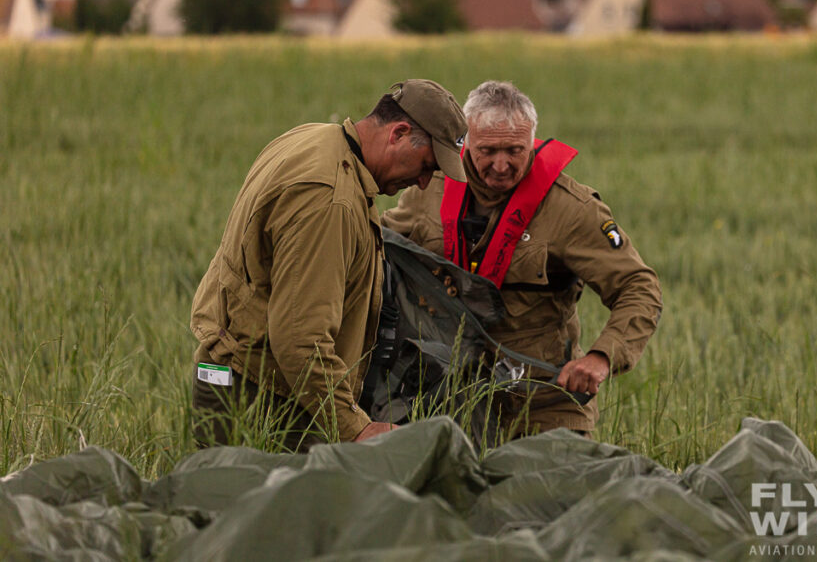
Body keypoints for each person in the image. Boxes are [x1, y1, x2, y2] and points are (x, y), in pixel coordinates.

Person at [190, 79, 467, 450]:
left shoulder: (315, 139)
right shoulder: (330, 199)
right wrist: (356, 426)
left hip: (246, 375)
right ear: (399, 134)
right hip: (261, 393)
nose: (421, 182)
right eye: (426, 166)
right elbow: (300, 338)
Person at [383, 80, 661, 437]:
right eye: (487, 151)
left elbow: (639, 287)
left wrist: (602, 357)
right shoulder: (428, 188)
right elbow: (379, 249)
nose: (501, 165)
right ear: (466, 142)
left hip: (543, 404)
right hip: (448, 401)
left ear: (533, 140)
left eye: (515, 150)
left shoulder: (572, 209)